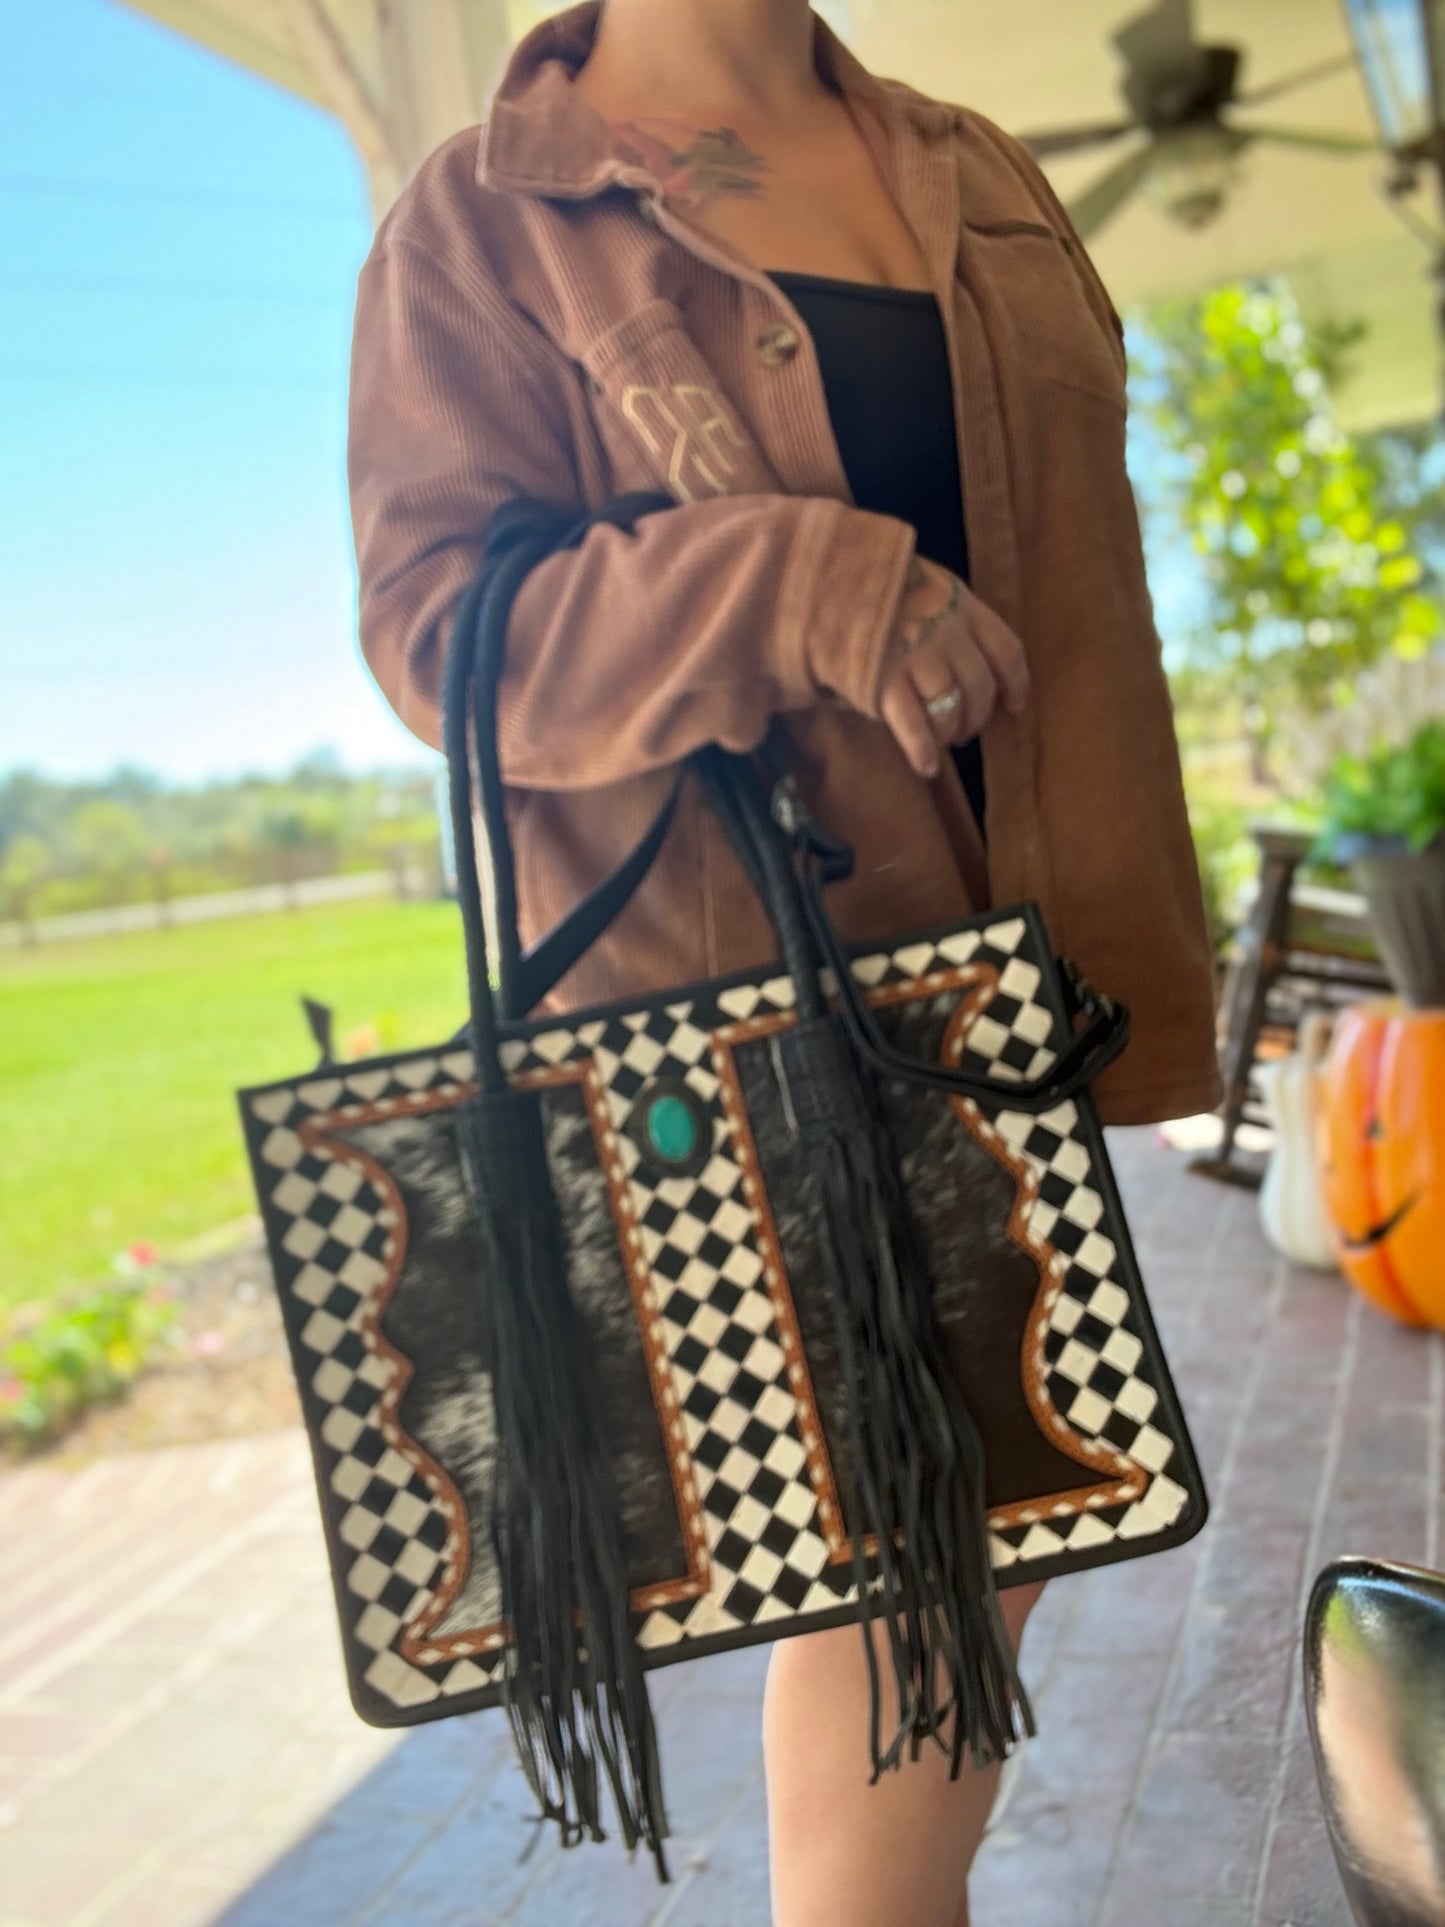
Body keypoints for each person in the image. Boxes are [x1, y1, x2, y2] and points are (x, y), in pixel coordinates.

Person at [347, 4, 1221, 1921]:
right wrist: (806, 586)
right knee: (909, 1569)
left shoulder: (972, 165)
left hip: (1015, 1001)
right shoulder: (485, 216)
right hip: (748, 1031)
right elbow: (440, 634)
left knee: (978, 1555)